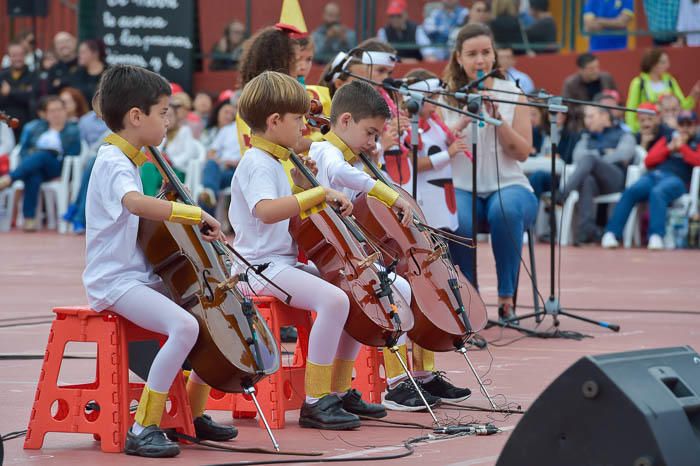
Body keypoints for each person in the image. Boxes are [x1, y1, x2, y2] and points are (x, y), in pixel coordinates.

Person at [80, 65, 234, 458]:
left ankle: (186, 411)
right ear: (136, 116)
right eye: (163, 112)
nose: (169, 120)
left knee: (202, 314)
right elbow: (134, 202)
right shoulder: (114, 160)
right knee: (183, 326)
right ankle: (144, 424)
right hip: (114, 282)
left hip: (137, 275)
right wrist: (194, 214)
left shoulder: (129, 157)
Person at [230, 71, 391, 428]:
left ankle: (337, 388)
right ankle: (317, 400)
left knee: (352, 289)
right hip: (258, 269)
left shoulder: (276, 160)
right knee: (334, 300)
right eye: (298, 119)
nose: (305, 126)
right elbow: (266, 210)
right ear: (274, 122)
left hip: (280, 266)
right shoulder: (257, 162)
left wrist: (304, 184)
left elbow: (289, 208)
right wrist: (316, 193)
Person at [442, 23, 537, 323]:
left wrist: (499, 121)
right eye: (472, 54)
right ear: (459, 58)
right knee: (458, 219)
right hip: (461, 185)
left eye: (485, 53)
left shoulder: (513, 94)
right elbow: (437, 144)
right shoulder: (444, 96)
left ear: (495, 56)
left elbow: (523, 152)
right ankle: (470, 301)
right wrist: (466, 119)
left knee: (505, 211)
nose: (480, 61)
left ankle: (506, 299)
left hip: (509, 185)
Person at [602, 110, 700, 250]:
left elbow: (698, 161)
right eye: (681, 124)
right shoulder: (667, 139)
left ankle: (656, 236)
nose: (685, 128)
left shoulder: (697, 141)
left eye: (689, 124)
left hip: (678, 181)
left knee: (658, 192)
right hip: (655, 175)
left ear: (695, 126)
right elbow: (649, 161)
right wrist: (669, 148)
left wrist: (682, 148)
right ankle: (611, 233)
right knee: (631, 190)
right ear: (677, 126)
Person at [0, 95, 81, 231]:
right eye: (52, 111)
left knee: (44, 154)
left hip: (57, 167)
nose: (56, 114)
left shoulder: (73, 130)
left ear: (65, 111)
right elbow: (23, 152)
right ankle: (29, 220)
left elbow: (74, 154)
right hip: (34, 167)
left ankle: (8, 179)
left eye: (59, 110)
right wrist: (33, 157)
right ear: (45, 114)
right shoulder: (34, 128)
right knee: (33, 173)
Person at [558, 105, 636, 244]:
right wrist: (605, 153)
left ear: (605, 116)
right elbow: (577, 157)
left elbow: (624, 154)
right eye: (586, 117)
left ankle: (562, 194)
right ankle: (586, 231)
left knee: (589, 159)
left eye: (591, 116)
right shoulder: (586, 137)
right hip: (594, 182)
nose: (587, 121)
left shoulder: (623, 134)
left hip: (615, 178)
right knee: (586, 180)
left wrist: (596, 159)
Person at [625, 49, 700, 133]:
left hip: (671, 126)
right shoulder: (639, 83)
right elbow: (631, 110)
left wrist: (694, 94)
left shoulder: (670, 81)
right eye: (663, 62)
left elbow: (683, 106)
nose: (668, 65)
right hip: (648, 128)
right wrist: (633, 130)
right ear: (653, 64)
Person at [141, 92, 199, 196]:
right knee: (147, 167)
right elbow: (155, 153)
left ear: (177, 117)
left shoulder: (184, 131)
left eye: (171, 116)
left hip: (178, 171)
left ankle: (149, 201)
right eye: (165, 116)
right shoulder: (161, 133)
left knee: (149, 171)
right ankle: (149, 199)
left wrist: (171, 160)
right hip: (161, 170)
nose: (168, 119)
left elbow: (189, 154)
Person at [562, 53, 617, 131]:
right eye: (591, 69)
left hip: (607, 120)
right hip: (581, 124)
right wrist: (587, 109)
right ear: (581, 70)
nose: (596, 71)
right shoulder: (570, 84)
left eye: (597, 67)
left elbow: (618, 99)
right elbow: (567, 107)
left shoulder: (606, 78)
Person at [0, 40, 37, 140]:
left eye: (20, 55)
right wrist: (20, 93)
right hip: (4, 124)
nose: (18, 58)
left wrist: (10, 92)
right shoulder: (2, 75)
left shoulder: (33, 74)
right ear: (9, 56)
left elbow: (30, 96)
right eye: (14, 55)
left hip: (25, 123)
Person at [66, 39, 108, 108]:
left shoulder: (109, 74)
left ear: (95, 53)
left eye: (83, 52)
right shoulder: (76, 73)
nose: (79, 55)